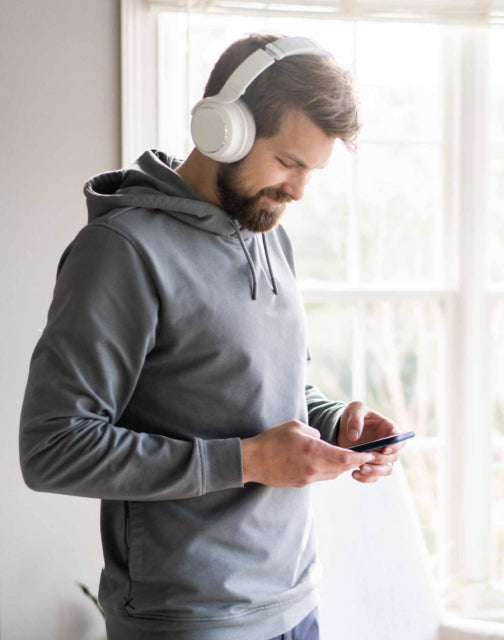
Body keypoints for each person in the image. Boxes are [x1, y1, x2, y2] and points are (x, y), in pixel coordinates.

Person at [19, 32, 404, 640]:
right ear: (223, 129)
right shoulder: (122, 253)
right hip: (192, 622)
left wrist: (336, 424)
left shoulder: (270, 233)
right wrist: (248, 461)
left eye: (314, 171)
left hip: (297, 601)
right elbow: (52, 448)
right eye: (287, 162)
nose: (299, 191)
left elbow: (270, 387)